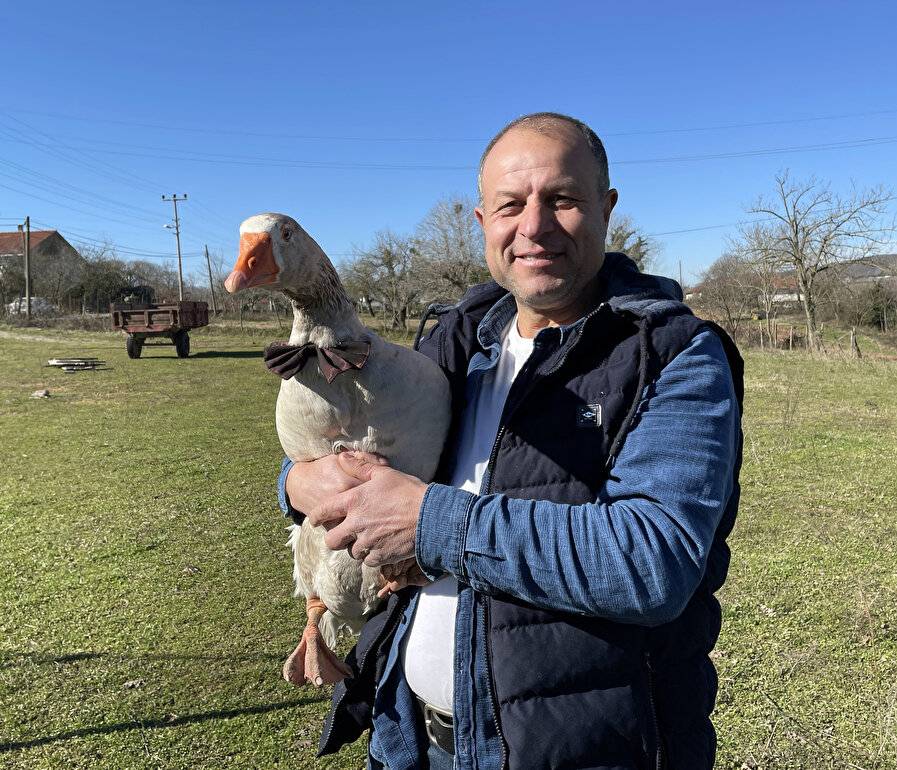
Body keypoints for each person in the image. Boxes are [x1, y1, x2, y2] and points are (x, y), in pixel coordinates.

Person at [278, 112, 743, 770]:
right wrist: (295, 482)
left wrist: (428, 522)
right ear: (482, 223)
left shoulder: (672, 355)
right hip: (412, 739)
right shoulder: (455, 341)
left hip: (581, 754)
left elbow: (652, 563)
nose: (535, 226)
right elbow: (366, 440)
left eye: (562, 199)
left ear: (606, 209)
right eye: (510, 205)